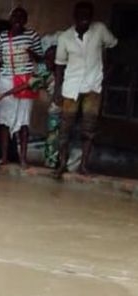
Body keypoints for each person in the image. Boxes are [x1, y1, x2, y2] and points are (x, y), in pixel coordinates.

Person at [53, 1, 118, 177]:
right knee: (65, 129)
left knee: (88, 130)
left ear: (91, 16)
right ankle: (62, 164)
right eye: (81, 15)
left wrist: (107, 71)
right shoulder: (65, 37)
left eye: (87, 15)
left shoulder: (100, 30)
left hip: (92, 87)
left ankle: (83, 166)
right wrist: (57, 89)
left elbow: (113, 45)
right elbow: (59, 65)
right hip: (71, 88)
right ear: (75, 17)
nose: (84, 18)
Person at [0, 7, 43, 168]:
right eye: (15, 16)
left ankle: (23, 158)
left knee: (24, 121)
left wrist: (32, 54)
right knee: (3, 121)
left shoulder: (32, 36)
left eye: (21, 17)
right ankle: (4, 157)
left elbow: (41, 59)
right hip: (6, 80)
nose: (18, 20)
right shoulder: (2, 37)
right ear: (10, 19)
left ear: (26, 20)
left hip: (26, 80)